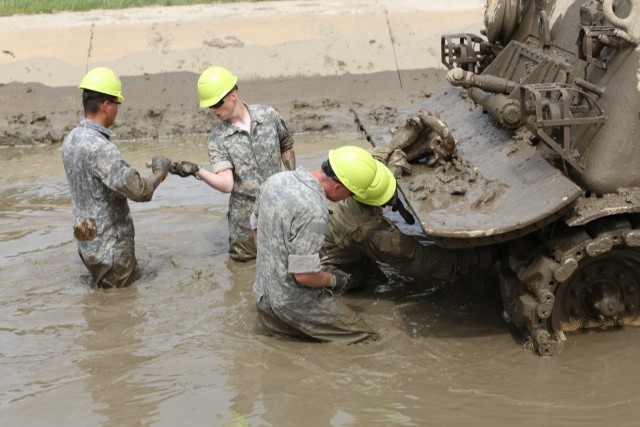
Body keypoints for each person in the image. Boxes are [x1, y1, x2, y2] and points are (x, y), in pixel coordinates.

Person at [251, 145, 388, 344]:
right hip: (293, 302)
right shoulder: (315, 210)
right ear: (338, 187)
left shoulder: (276, 180)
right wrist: (334, 280)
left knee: (286, 349)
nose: (349, 198)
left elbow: (254, 225)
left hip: (263, 296)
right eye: (351, 194)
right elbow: (304, 275)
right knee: (368, 340)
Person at [171, 66, 295, 262]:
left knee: (287, 261)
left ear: (233, 95)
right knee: (243, 273)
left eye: (217, 104)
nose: (213, 110)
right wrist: (198, 171)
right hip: (245, 222)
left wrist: (293, 180)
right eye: (209, 106)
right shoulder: (217, 139)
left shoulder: (268, 115)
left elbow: (286, 144)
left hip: (281, 210)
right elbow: (226, 184)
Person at [62, 67, 171, 288]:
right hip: (110, 249)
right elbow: (140, 191)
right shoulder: (102, 148)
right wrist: (160, 172)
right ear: (106, 106)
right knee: (120, 305)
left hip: (85, 239)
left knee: (102, 298)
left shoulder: (70, 139)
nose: (117, 110)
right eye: (117, 105)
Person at [321, 172, 496, 291]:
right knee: (366, 284)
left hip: (325, 241)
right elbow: (423, 260)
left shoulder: (350, 176)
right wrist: (488, 256)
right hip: (324, 270)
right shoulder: (371, 232)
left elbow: (388, 155)